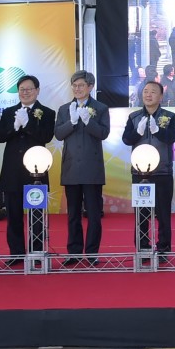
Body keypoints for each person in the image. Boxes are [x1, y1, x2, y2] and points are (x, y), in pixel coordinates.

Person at [0, 74, 56, 265]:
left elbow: (45, 136)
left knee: (36, 213)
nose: (25, 92)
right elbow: (0, 137)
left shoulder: (47, 112)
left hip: (35, 171)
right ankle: (16, 253)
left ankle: (37, 251)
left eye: (29, 89)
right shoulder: (8, 111)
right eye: (22, 89)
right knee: (13, 214)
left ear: (37, 91)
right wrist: (14, 126)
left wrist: (28, 125)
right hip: (12, 170)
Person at [55, 70, 111, 265]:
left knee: (94, 214)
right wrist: (71, 122)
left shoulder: (101, 108)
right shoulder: (64, 109)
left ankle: (92, 252)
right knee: (73, 214)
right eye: (74, 85)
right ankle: (74, 252)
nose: (77, 89)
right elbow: (58, 134)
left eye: (80, 85)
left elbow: (104, 133)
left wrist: (88, 121)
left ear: (90, 87)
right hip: (71, 168)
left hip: (92, 169)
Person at [122, 81, 175, 255]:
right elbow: (126, 139)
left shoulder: (170, 116)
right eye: (145, 91)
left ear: (161, 96)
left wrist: (157, 131)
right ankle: (143, 248)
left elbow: (171, 137)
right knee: (142, 213)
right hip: (139, 172)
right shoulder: (134, 117)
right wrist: (137, 132)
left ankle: (163, 248)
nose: (148, 95)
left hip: (162, 172)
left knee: (163, 214)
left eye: (153, 92)